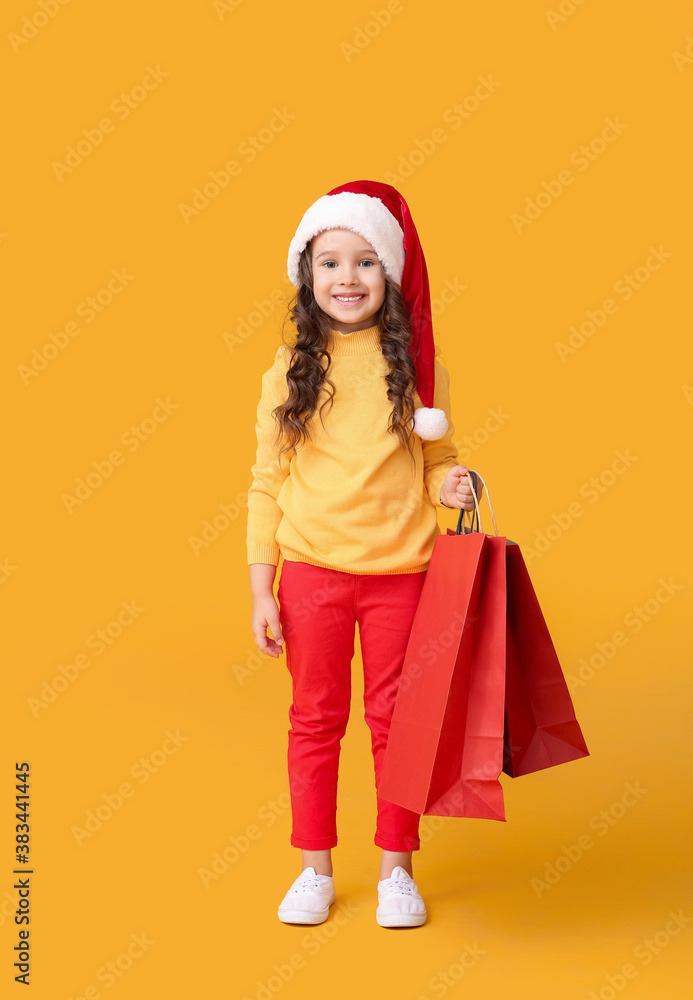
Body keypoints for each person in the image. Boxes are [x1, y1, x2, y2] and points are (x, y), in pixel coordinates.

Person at [246, 179, 483, 928]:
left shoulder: (420, 371)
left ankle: (395, 871)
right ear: (307, 279)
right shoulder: (287, 373)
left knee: (395, 724)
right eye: (330, 264)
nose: (347, 279)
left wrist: (457, 483)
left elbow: (438, 458)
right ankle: (314, 868)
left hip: (400, 577)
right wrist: (262, 588)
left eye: (365, 263)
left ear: (389, 273)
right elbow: (265, 482)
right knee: (315, 720)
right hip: (312, 573)